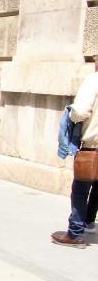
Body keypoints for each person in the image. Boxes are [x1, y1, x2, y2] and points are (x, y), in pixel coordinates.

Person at [52, 62, 98, 246]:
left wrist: (71, 115)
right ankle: (88, 221)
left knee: (80, 189)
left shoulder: (94, 80)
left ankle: (75, 233)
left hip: (93, 145)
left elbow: (81, 111)